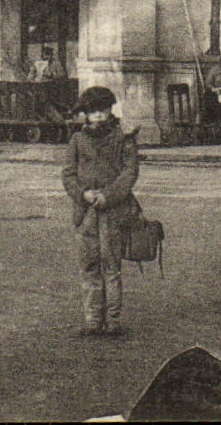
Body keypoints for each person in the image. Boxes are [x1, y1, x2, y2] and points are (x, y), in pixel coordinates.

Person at [60, 85, 140, 337]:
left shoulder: (123, 138)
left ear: (110, 110)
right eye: (92, 112)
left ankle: (113, 320)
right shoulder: (77, 140)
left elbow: (130, 172)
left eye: (102, 111)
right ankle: (93, 319)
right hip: (84, 213)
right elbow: (68, 173)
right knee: (88, 265)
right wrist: (82, 194)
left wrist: (108, 196)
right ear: (84, 114)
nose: (98, 116)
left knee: (111, 266)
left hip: (113, 212)